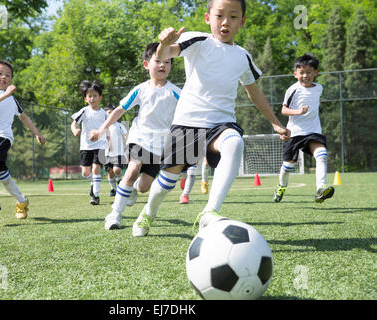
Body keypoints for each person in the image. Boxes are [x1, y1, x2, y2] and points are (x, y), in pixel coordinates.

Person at [131, 0, 290, 237]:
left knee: (235, 142)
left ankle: (210, 212)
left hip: (221, 124)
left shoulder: (242, 56)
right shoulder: (198, 41)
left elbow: (254, 92)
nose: (225, 22)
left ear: (242, 22)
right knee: (166, 181)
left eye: (233, 17)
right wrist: (163, 45)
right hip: (187, 123)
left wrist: (275, 122)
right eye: (219, 15)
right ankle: (149, 212)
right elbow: (169, 53)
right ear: (208, 18)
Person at [89, 42, 181, 230]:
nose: (163, 65)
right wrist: (101, 130)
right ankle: (115, 215)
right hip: (139, 138)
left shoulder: (176, 92)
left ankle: (130, 188)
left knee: (143, 187)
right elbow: (120, 110)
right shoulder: (141, 89)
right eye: (158, 61)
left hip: (160, 145)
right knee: (132, 169)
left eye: (168, 61)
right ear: (146, 64)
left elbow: (191, 111)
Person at [0, 60, 46, 219]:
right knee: (1, 173)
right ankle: (22, 201)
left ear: (11, 80)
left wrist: (36, 133)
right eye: (0, 74)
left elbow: (23, 116)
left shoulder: (11, 99)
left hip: (3, 136)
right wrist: (5, 95)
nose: (4, 77)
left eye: (8, 75)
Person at [273, 53, 334, 203]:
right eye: (301, 73)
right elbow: (284, 110)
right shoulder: (292, 89)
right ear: (295, 74)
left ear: (316, 73)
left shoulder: (319, 88)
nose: (305, 76)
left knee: (322, 155)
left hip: (313, 131)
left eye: (309, 72)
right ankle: (281, 186)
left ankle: (320, 188)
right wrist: (298, 111)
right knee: (288, 166)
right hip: (294, 133)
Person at [71, 80, 108, 205]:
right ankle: (93, 183)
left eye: (95, 96)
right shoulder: (84, 111)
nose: (92, 98)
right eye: (89, 96)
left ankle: (96, 196)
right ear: (85, 99)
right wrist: (75, 130)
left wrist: (108, 141)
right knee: (86, 173)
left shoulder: (104, 114)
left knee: (96, 168)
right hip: (86, 146)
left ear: (100, 97)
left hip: (101, 145)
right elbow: (73, 123)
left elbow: (108, 128)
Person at [104, 104, 128, 196]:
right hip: (106, 153)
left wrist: (128, 145)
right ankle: (113, 189)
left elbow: (126, 135)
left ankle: (120, 179)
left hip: (118, 153)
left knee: (117, 170)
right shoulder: (103, 126)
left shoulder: (119, 125)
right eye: (109, 113)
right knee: (110, 172)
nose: (110, 115)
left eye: (112, 112)